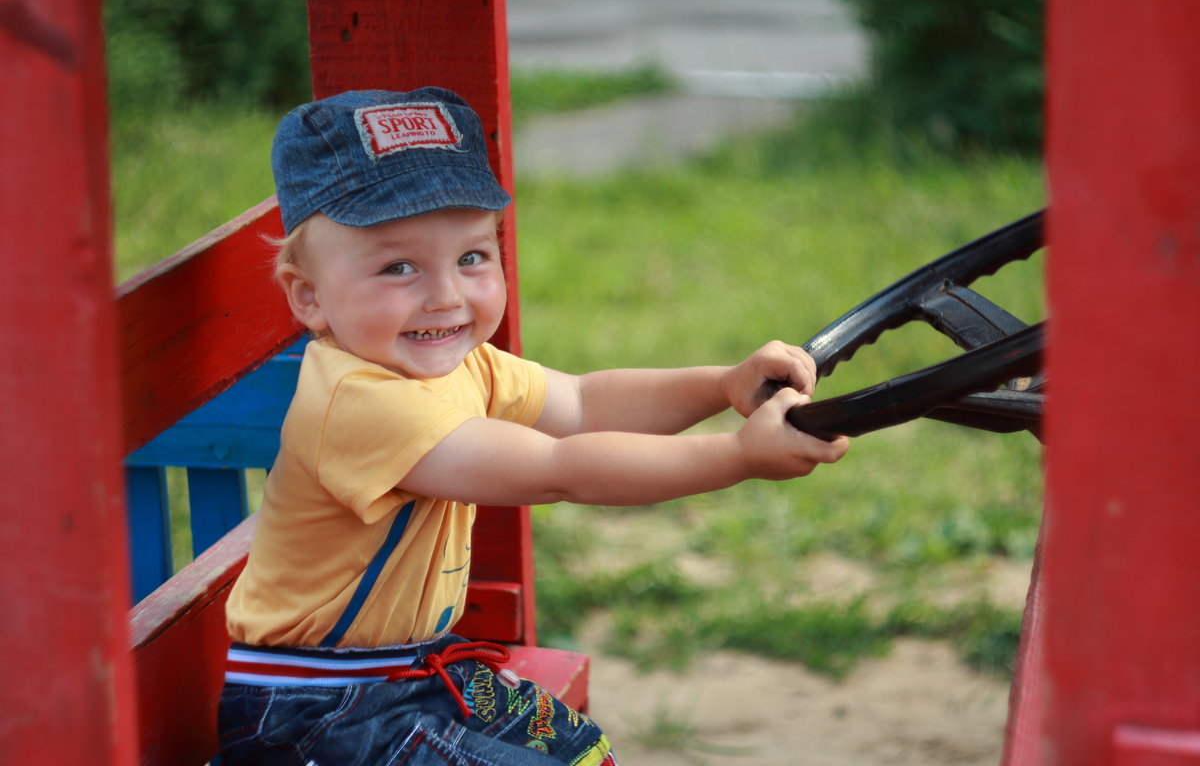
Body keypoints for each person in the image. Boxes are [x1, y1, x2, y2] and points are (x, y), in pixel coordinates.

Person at [218, 86, 849, 766]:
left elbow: (582, 402)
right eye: (398, 266)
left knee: (581, 752)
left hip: (403, 675)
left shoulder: (459, 367)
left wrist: (722, 384)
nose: (446, 295)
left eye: (471, 257)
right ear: (309, 295)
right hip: (314, 717)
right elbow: (560, 468)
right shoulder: (360, 402)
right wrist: (736, 456)